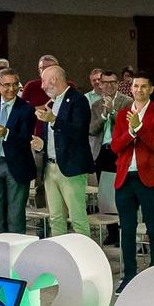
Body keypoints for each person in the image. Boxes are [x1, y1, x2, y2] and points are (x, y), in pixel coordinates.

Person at [110, 73, 154, 288]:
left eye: (144, 86)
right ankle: (129, 275)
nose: (140, 90)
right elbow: (116, 146)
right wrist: (131, 131)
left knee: (153, 226)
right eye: (136, 86)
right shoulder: (123, 113)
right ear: (131, 89)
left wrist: (139, 127)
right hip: (125, 177)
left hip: (149, 178)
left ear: (151, 89)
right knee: (127, 228)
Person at [32, 61, 93, 237]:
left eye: (43, 81)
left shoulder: (78, 100)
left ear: (54, 79)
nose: (42, 86)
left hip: (71, 168)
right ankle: (59, 257)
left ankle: (83, 259)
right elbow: (52, 136)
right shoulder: (52, 102)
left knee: (77, 218)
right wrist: (40, 144)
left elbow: (79, 132)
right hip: (50, 167)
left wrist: (54, 120)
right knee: (55, 218)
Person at [0, 69, 37, 234]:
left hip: (17, 165)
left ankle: (17, 253)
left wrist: (6, 133)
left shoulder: (26, 108)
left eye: (14, 85)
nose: (11, 89)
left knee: (15, 214)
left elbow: (26, 138)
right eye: (6, 85)